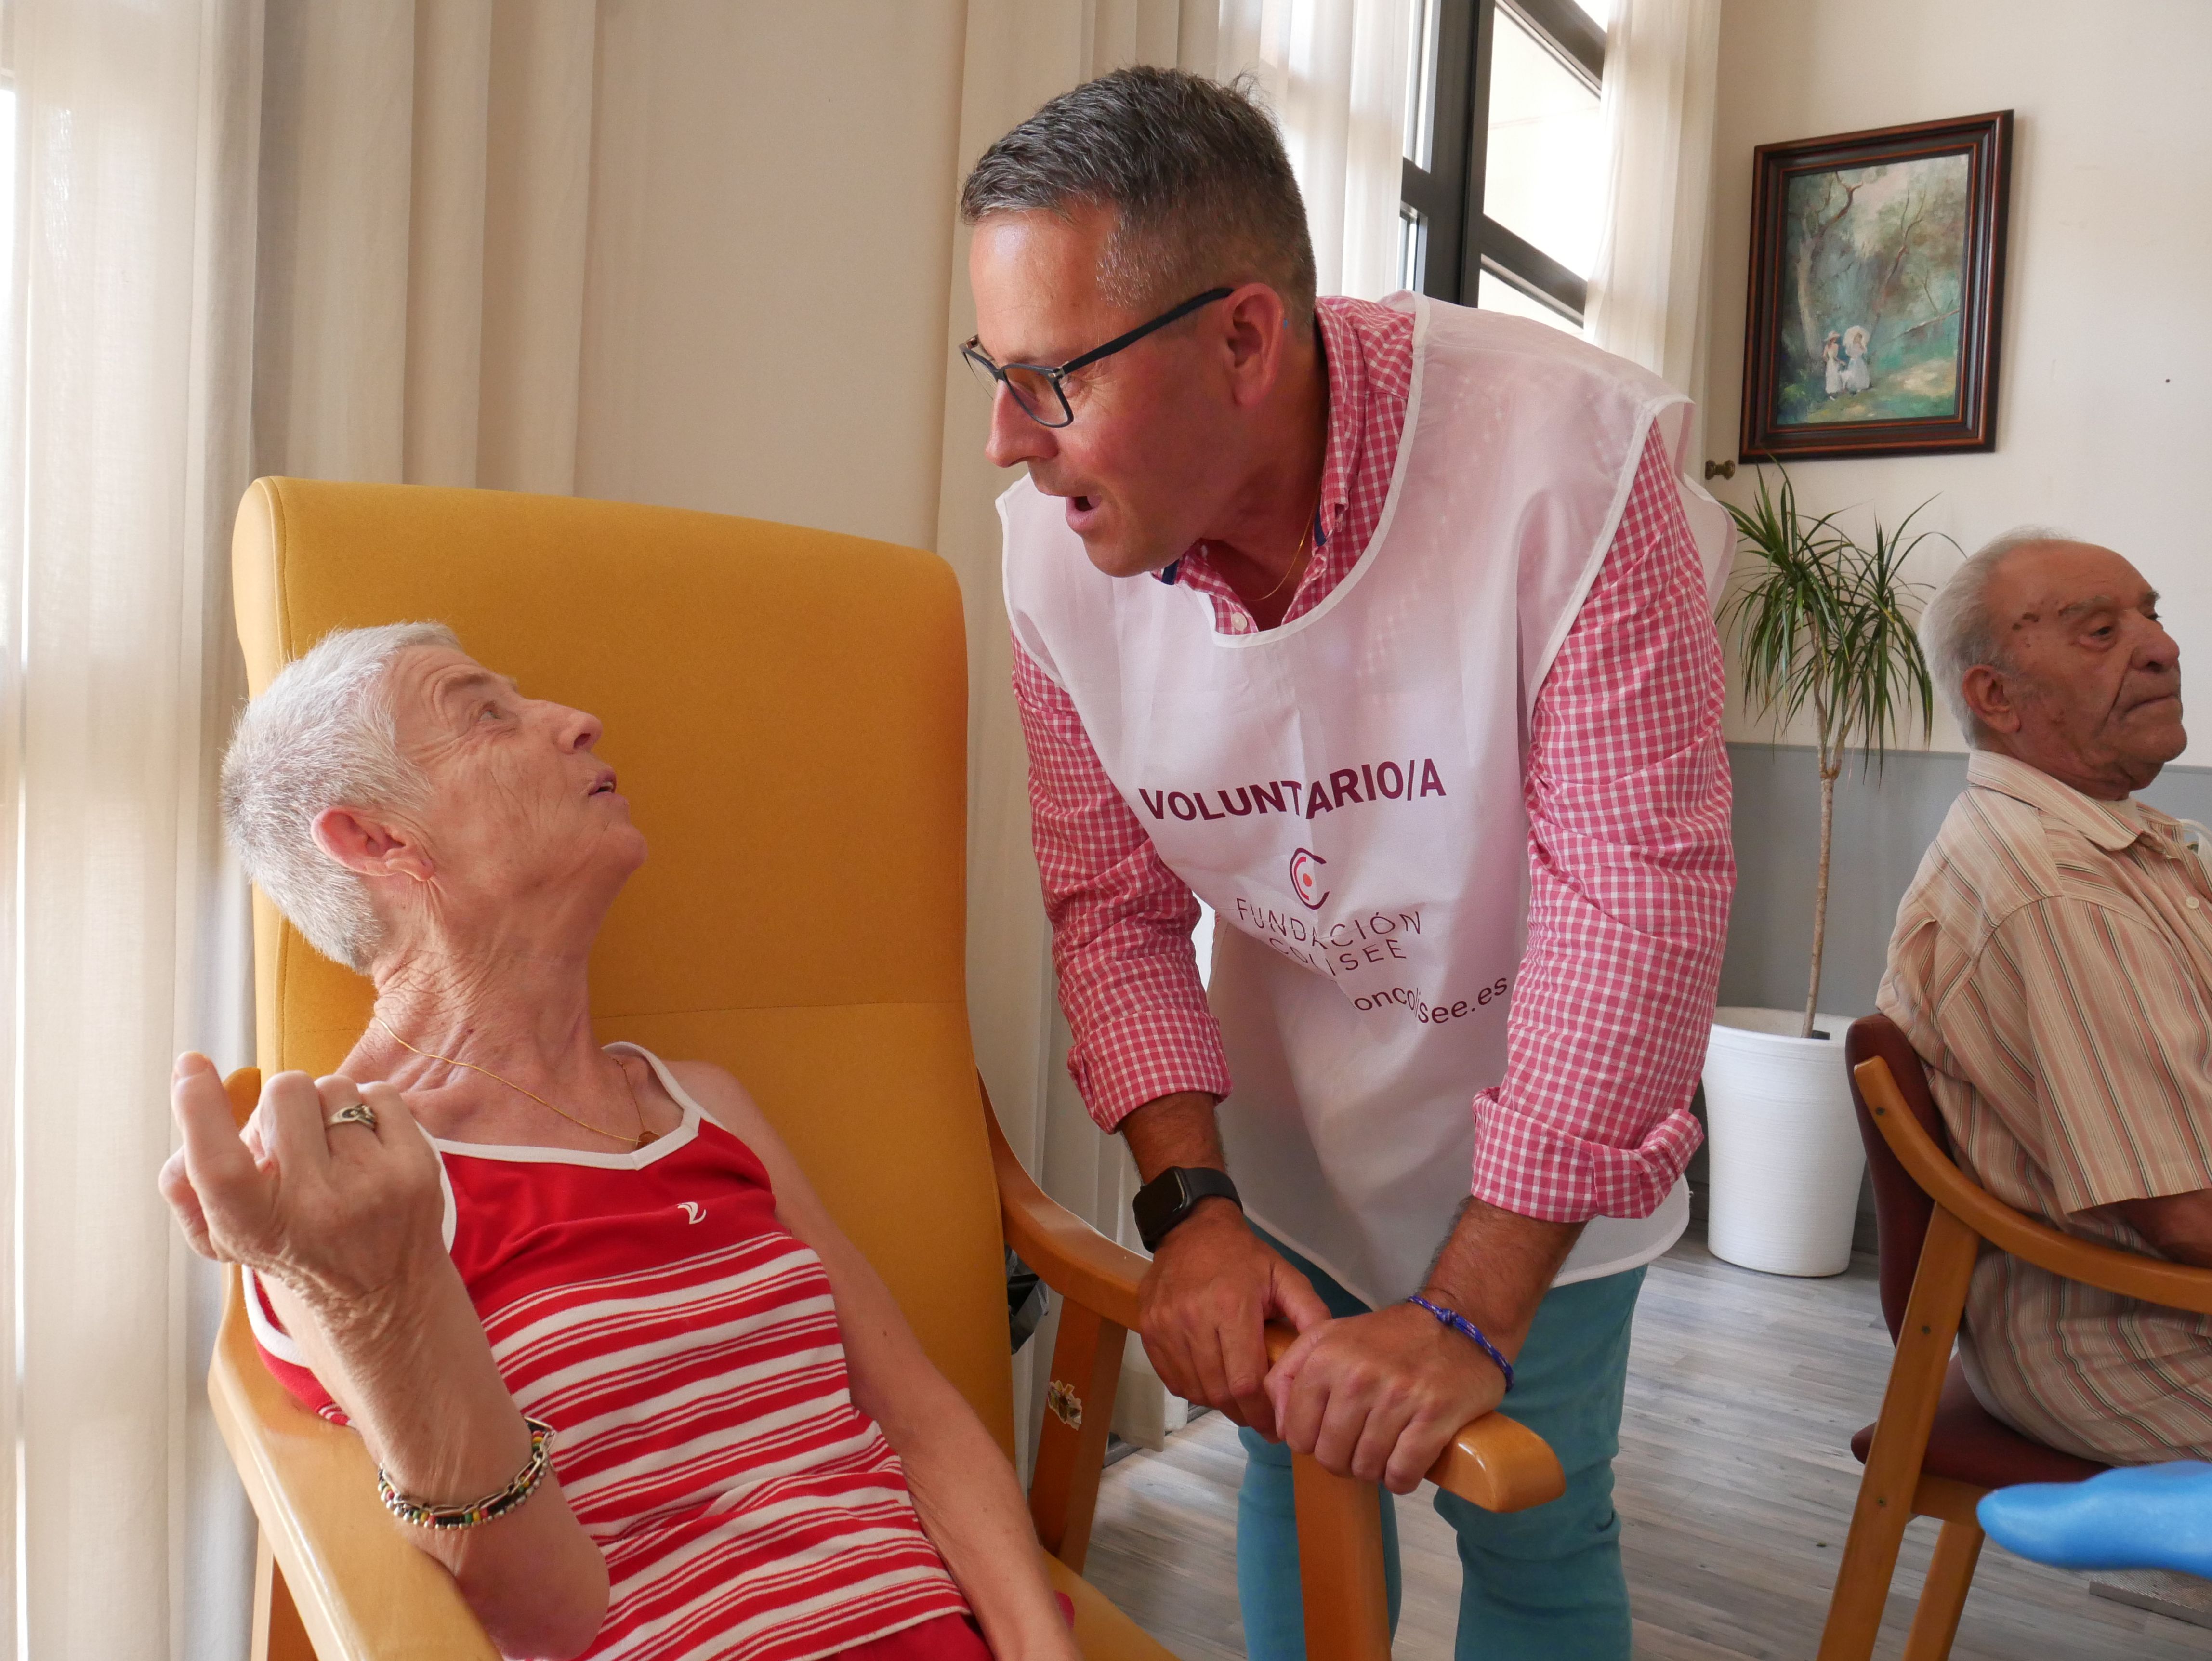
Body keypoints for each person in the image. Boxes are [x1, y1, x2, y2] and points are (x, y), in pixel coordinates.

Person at [960, 68, 1734, 1660]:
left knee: (1533, 1508)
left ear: (1244, 340)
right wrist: (1192, 1206)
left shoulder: (1568, 461)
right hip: (1288, 1114)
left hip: (1546, 1130)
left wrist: (1473, 1301)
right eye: (994, 369)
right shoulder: (1054, 553)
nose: (1004, 437)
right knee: (1294, 1455)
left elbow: (1636, 893)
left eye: (1050, 379)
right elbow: (1110, 907)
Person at [158, 623, 1078, 1661]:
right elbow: (544, 1614)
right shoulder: (339, 1187)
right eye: (486, 713)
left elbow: (916, 1417)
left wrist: (1041, 1647)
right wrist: (381, 1299)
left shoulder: (705, 1108)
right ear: (375, 839)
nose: (577, 719)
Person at [1881, 528, 2212, 1466]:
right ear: (1997, 697)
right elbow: (2182, 1214)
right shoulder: (2055, 889)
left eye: (2149, 615)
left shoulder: (2122, 837)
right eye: (2099, 630)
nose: (2161, 645)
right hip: (2132, 1337)